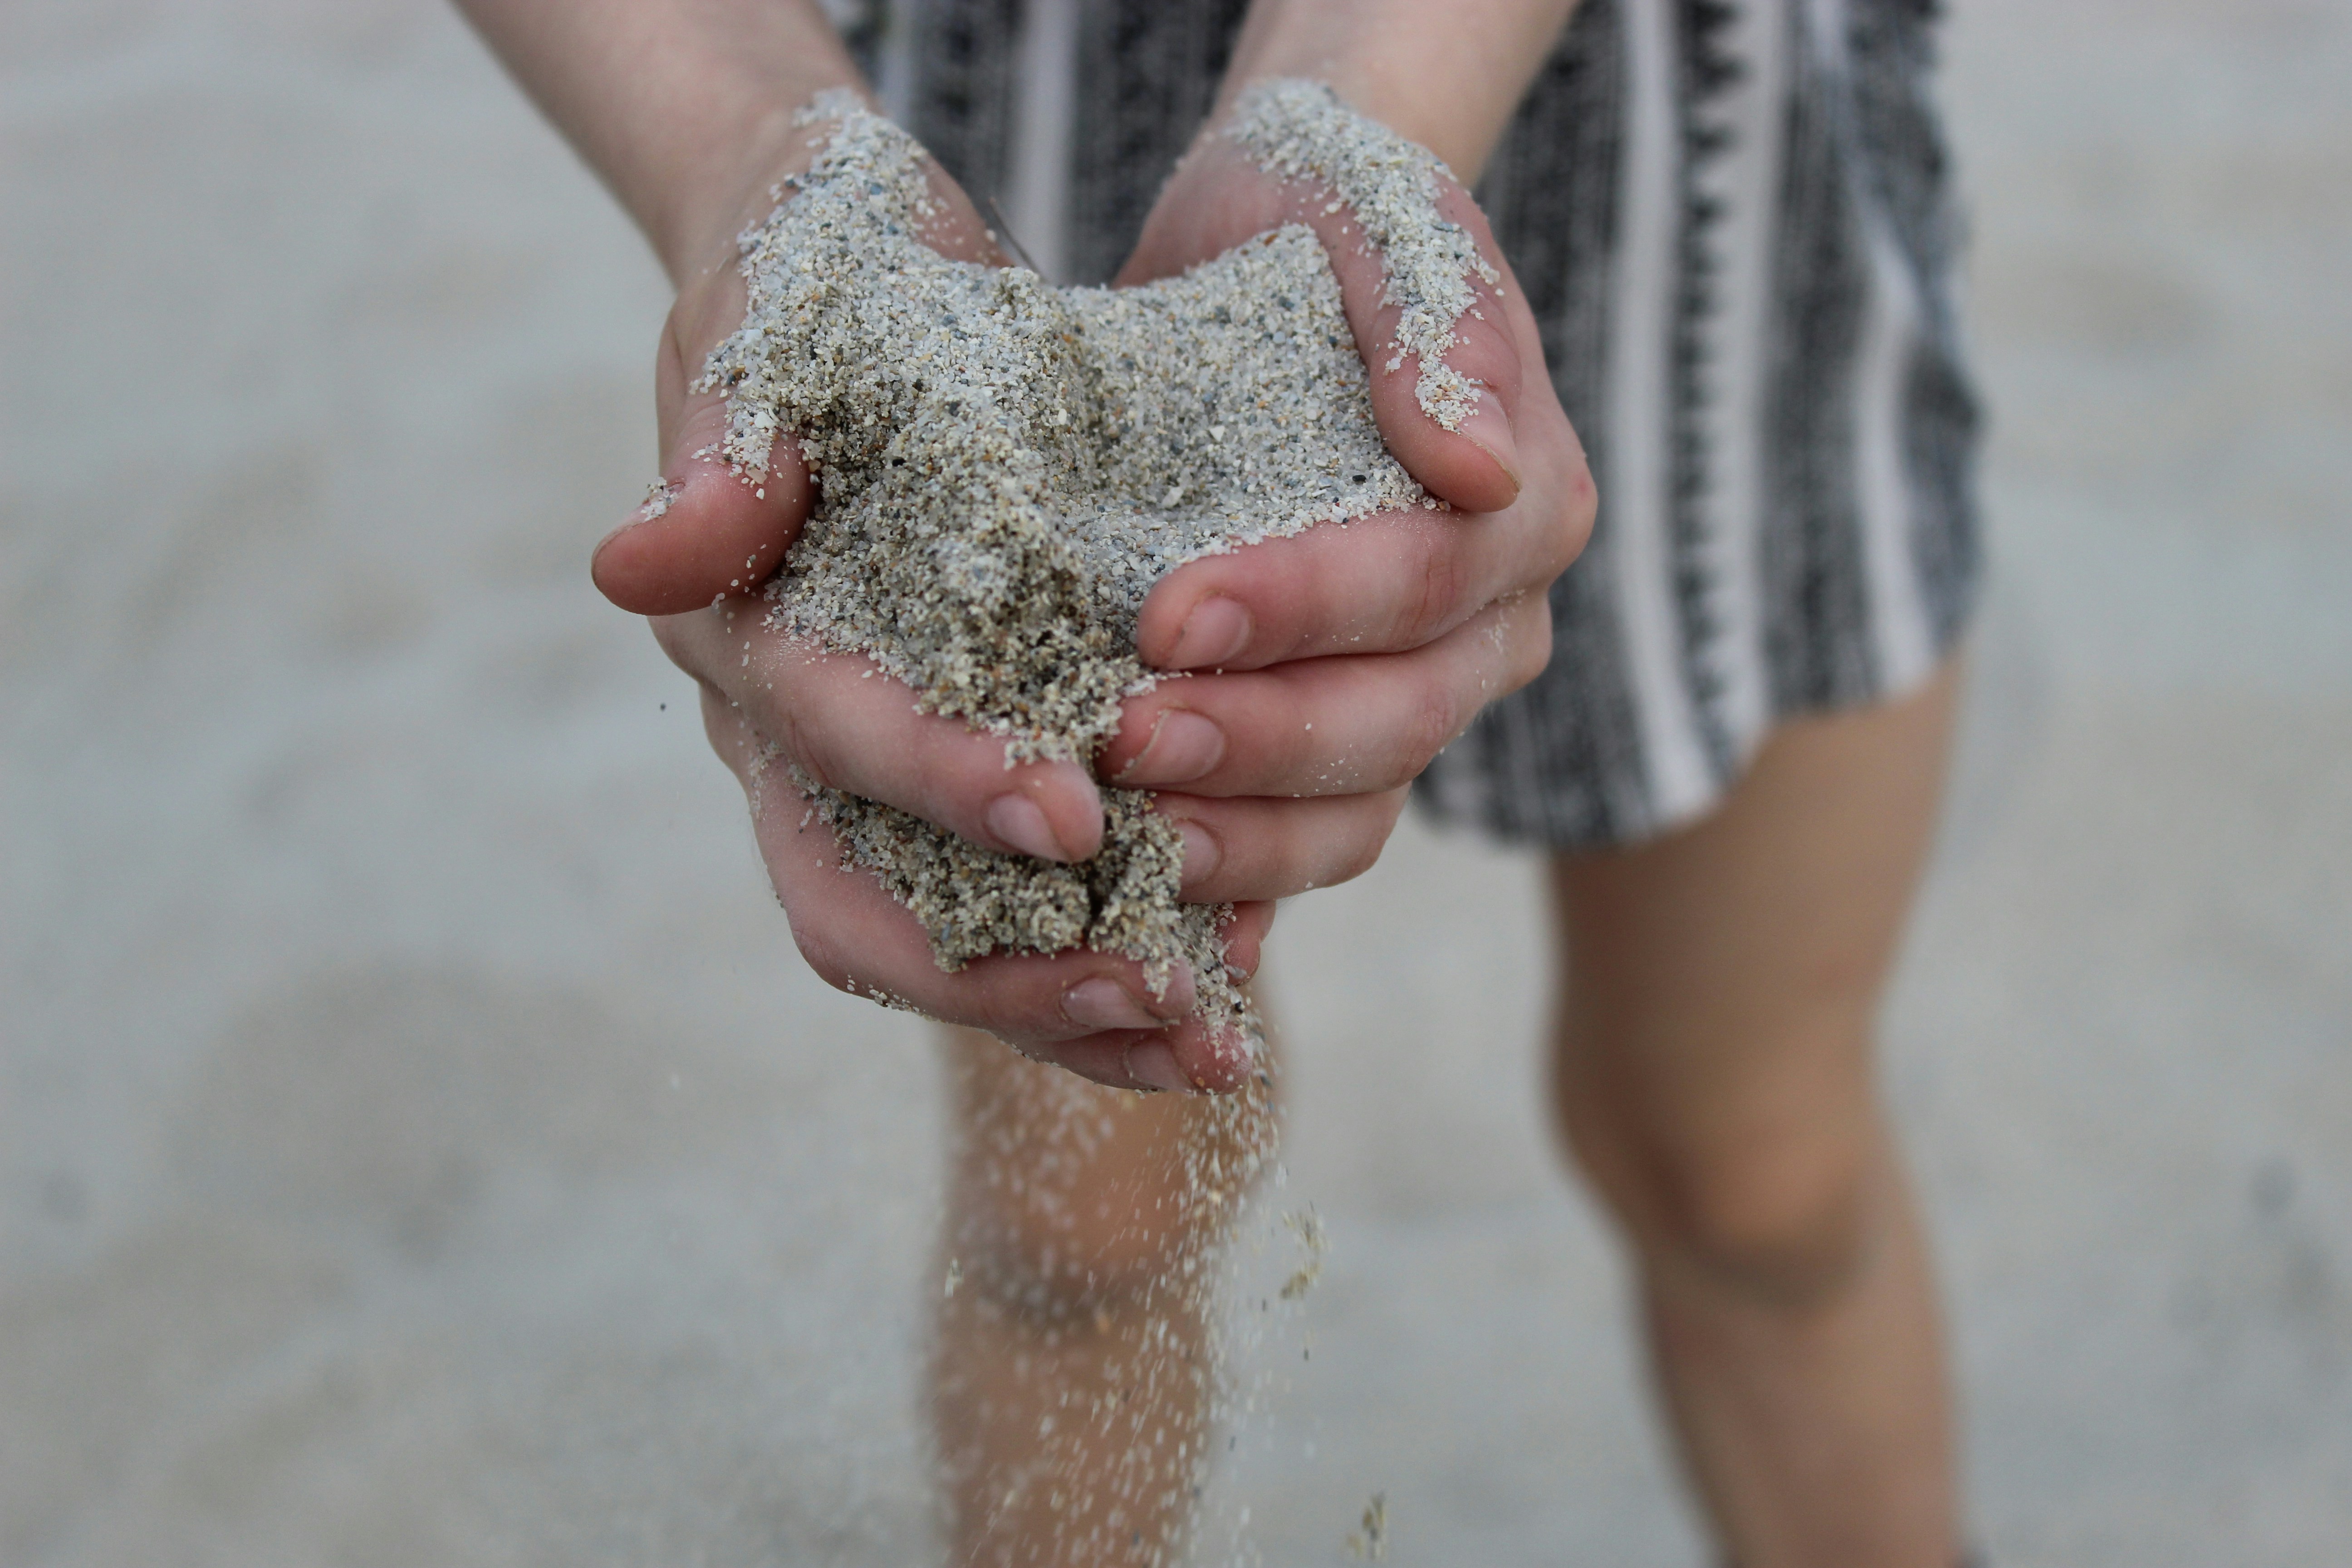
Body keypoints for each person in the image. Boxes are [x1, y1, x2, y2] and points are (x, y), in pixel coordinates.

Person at [456, 2, 1980, 1565]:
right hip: (1007, 140)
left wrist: (1359, 96)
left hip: (1687, 134)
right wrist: (753, 146)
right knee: (1084, 1218)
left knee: (1750, 1167)